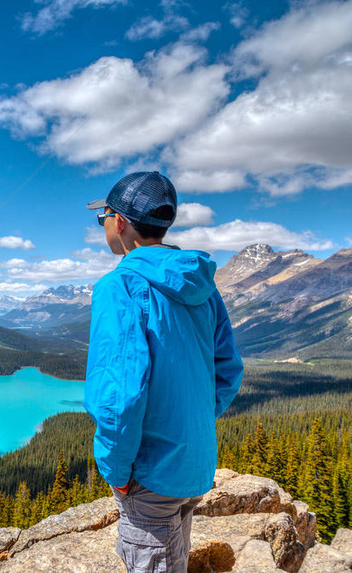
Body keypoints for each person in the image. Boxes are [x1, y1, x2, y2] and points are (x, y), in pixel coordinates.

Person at [84, 171, 243, 573]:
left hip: (149, 475)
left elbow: (120, 398)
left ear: (118, 221)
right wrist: (191, 426)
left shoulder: (118, 286)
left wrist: (117, 472)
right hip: (194, 463)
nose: (102, 224)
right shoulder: (202, 285)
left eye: (102, 215)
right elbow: (227, 370)